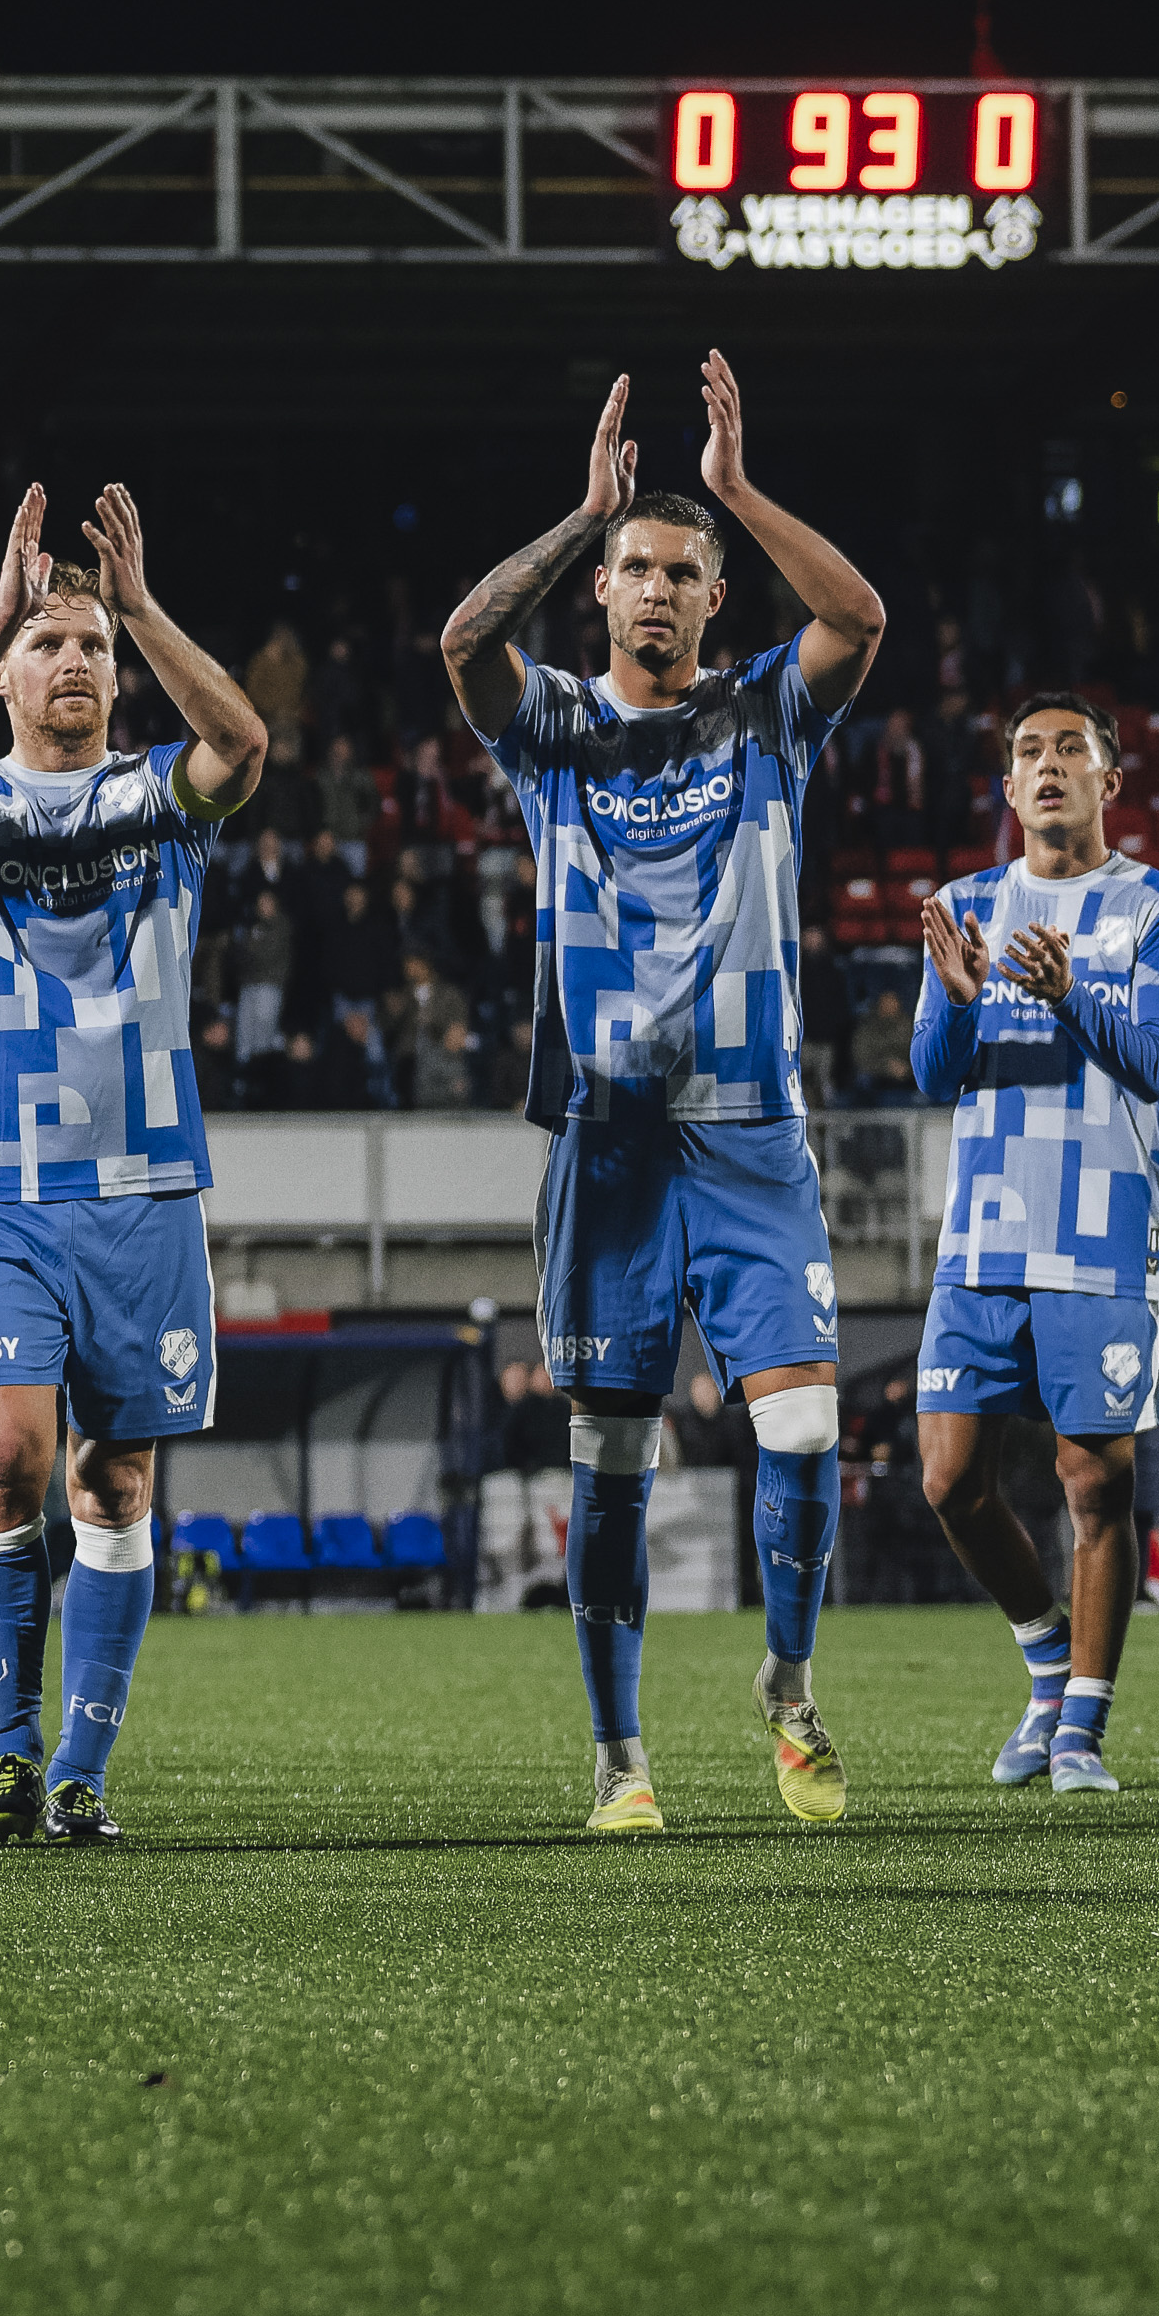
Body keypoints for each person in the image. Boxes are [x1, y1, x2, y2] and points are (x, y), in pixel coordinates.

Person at [441, 354, 887, 1834]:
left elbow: (858, 617)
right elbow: (459, 641)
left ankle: (784, 1681)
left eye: (678, 571)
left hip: (748, 1130)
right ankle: (617, 1755)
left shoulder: (768, 709)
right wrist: (580, 513)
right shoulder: (551, 723)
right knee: (612, 1457)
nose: (649, 587)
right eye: (632, 566)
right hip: (606, 1142)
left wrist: (741, 487)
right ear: (601, 590)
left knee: (806, 1428)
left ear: (711, 599)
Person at [0, 477, 270, 1844]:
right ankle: (6, 1752)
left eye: (89, 643)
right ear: (5, 678)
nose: (75, 659)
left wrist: (143, 604)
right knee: (5, 1459)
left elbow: (243, 742)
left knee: (116, 1484)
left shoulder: (163, 792)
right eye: (52, 643)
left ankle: (84, 1772)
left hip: (144, 1190)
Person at [903, 691, 1159, 1796]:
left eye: (1067, 750)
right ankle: (1043, 1660)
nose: (1044, 766)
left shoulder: (1158, 906)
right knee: (946, 1481)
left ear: (1107, 781)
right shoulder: (964, 902)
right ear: (1006, 786)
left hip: (1102, 1236)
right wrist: (952, 1004)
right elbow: (934, 1076)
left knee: (1093, 1486)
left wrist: (1071, 992)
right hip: (981, 1231)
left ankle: (1079, 1726)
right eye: (1026, 752)